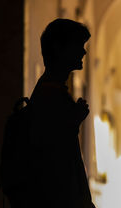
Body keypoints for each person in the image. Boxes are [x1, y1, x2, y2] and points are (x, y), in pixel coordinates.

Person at [25, 18, 95, 207]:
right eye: (78, 45)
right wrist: (73, 121)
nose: (83, 51)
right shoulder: (50, 94)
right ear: (58, 48)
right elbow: (54, 156)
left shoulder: (50, 90)